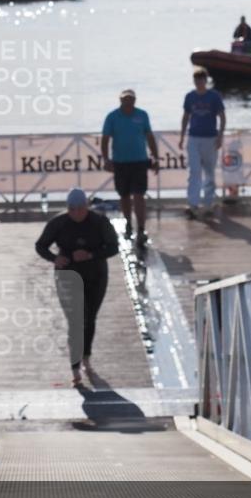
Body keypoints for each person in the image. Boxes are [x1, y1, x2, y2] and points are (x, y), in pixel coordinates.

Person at [35, 189, 120, 386]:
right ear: (68, 209)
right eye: (72, 210)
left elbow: (113, 246)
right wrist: (55, 258)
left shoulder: (99, 222)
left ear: (87, 207)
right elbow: (41, 246)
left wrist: (91, 255)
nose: (76, 214)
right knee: (75, 320)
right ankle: (75, 367)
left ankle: (86, 357)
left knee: (89, 318)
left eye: (80, 209)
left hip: (95, 275)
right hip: (68, 274)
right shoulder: (59, 223)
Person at [101, 89, 159, 245]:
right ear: (120, 100)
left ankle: (141, 228)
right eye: (125, 99)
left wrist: (155, 156)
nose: (128, 102)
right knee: (124, 196)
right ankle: (127, 222)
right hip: (120, 162)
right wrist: (106, 159)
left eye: (131, 99)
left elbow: (150, 136)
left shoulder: (142, 115)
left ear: (135, 100)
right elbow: (105, 139)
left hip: (139, 161)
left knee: (139, 195)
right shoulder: (112, 117)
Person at [178, 68, 226, 219]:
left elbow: (222, 117)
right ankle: (193, 204)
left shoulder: (214, 96)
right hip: (193, 137)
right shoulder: (189, 97)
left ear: (206, 80)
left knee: (209, 172)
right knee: (194, 171)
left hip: (210, 138)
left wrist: (220, 136)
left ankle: (208, 203)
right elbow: (186, 117)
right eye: (196, 80)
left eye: (201, 79)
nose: (199, 82)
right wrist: (181, 136)